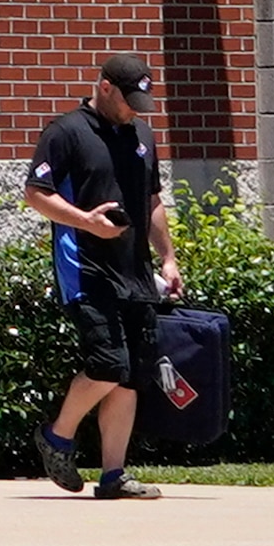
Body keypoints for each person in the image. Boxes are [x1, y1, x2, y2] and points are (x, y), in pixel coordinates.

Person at [23, 50, 178, 501]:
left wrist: (167, 257)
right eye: (128, 99)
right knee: (108, 366)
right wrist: (85, 221)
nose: (134, 110)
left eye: (141, 103)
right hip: (87, 270)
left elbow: (152, 202)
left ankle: (114, 476)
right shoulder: (66, 132)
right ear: (104, 86)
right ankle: (57, 436)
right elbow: (36, 194)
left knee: (130, 376)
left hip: (136, 272)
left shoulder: (142, 135)